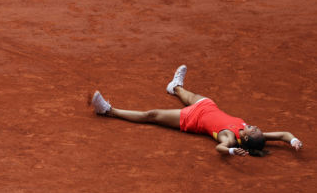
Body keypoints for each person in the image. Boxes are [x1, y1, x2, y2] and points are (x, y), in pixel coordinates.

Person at [91, 65, 303, 157]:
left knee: (152, 115)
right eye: (256, 128)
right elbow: (283, 135)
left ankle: (108, 111)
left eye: (253, 131)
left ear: (245, 140)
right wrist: (293, 141)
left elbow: (220, 149)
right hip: (208, 106)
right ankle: (174, 86)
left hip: (191, 119)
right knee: (187, 94)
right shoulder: (251, 133)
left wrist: (230, 151)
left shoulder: (229, 138)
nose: (254, 127)